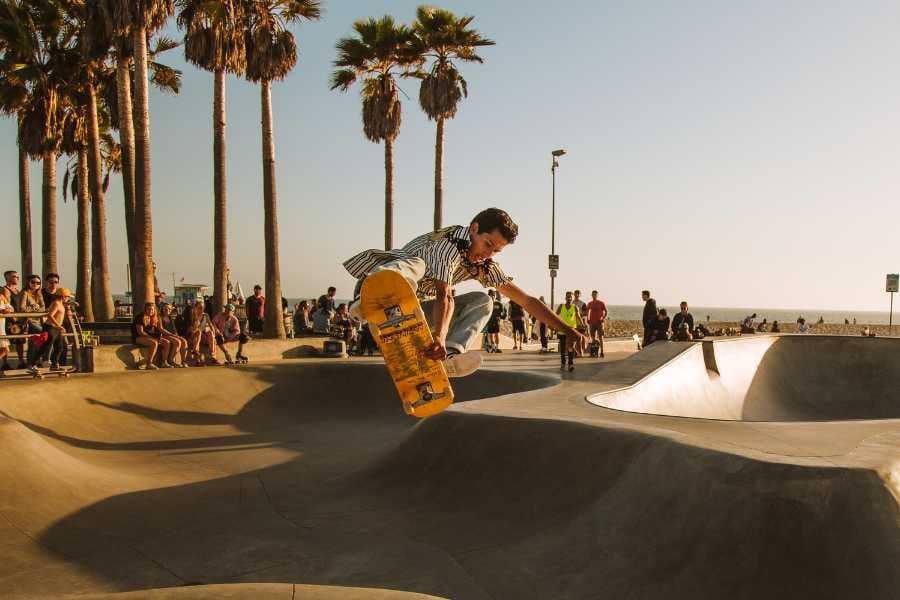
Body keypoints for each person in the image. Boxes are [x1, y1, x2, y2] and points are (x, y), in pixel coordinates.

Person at [344, 208, 586, 377]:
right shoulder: (449, 243)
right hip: (372, 290)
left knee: (484, 302)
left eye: (496, 251)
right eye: (487, 244)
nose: (487, 254)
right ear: (474, 229)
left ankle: (447, 358)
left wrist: (569, 330)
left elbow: (527, 301)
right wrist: (439, 333)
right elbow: (444, 296)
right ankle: (370, 302)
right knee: (415, 265)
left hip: (409, 313)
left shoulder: (483, 266)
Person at [27, 287, 72, 374]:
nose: (67, 298)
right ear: (63, 297)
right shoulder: (56, 304)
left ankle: (54, 365)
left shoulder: (61, 304)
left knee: (59, 347)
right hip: (50, 327)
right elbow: (50, 315)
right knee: (45, 347)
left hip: (56, 328)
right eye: (67, 297)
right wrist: (59, 326)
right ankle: (32, 365)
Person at [131, 302, 172, 370]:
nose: (151, 311)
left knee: (167, 342)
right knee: (154, 343)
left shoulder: (154, 317)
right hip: (138, 337)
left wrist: (158, 336)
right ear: (145, 309)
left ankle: (164, 362)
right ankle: (149, 363)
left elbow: (156, 330)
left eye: (152, 309)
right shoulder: (140, 317)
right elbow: (140, 332)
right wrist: (152, 338)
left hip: (150, 337)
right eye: (149, 309)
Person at [17, 274, 45, 367]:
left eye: (38, 283)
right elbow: (21, 308)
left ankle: (32, 362)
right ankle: (41, 360)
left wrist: (36, 309)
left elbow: (43, 308)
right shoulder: (25, 293)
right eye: (33, 282)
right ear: (28, 283)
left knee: (34, 342)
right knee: (43, 334)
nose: (35, 284)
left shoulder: (39, 294)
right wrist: (33, 308)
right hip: (28, 321)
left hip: (38, 321)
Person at [556, 291, 585, 372]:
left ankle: (570, 364)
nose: (569, 298)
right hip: (562, 330)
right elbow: (555, 316)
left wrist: (583, 325)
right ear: (565, 298)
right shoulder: (561, 306)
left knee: (570, 348)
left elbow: (578, 317)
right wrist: (555, 326)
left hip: (572, 331)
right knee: (562, 349)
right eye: (568, 297)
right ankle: (563, 363)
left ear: (572, 298)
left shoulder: (575, 307)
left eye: (570, 297)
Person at [187, 301, 220, 366]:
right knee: (198, 333)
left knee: (210, 333)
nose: (201, 309)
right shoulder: (192, 316)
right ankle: (197, 359)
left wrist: (214, 334)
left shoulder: (206, 315)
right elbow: (191, 330)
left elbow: (211, 325)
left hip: (202, 336)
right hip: (193, 335)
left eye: (202, 308)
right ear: (195, 308)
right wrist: (196, 319)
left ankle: (212, 356)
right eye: (199, 308)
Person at [1, 271, 22, 369]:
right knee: (5, 344)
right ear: (7, 278)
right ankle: (5, 363)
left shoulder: (18, 291)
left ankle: (21, 361)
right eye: (14, 276)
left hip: (18, 319)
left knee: (19, 341)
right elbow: (6, 305)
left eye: (17, 277)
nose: (17, 278)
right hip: (9, 321)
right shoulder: (5, 290)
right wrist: (13, 318)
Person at [159, 303, 189, 367]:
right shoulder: (160, 317)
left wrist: (176, 335)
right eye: (166, 309)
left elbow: (174, 329)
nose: (168, 310)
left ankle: (184, 361)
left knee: (184, 341)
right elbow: (161, 329)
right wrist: (172, 335)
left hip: (171, 335)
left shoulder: (170, 318)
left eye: (169, 309)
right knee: (177, 342)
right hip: (163, 335)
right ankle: (171, 360)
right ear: (162, 309)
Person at [586, 290, 607, 358]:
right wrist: (588, 319)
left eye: (595, 295)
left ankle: (602, 351)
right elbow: (587, 311)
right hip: (592, 322)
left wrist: (603, 318)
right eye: (593, 295)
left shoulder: (601, 303)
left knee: (601, 337)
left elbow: (606, 311)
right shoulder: (590, 303)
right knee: (593, 337)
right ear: (591, 295)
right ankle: (595, 351)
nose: (594, 296)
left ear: (597, 295)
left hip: (599, 322)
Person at [0, 286, 13, 375]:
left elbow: (11, 308)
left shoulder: (1, 297)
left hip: (1, 324)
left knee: (5, 349)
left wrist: (7, 310)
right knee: (5, 349)